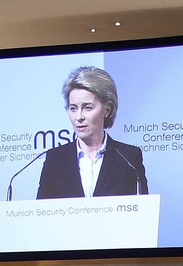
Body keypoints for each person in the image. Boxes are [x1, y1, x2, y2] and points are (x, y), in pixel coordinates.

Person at [35, 66, 148, 200]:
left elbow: (142, 214)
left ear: (107, 109)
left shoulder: (129, 158)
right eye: (73, 108)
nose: (79, 117)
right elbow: (42, 215)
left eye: (87, 108)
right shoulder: (55, 159)